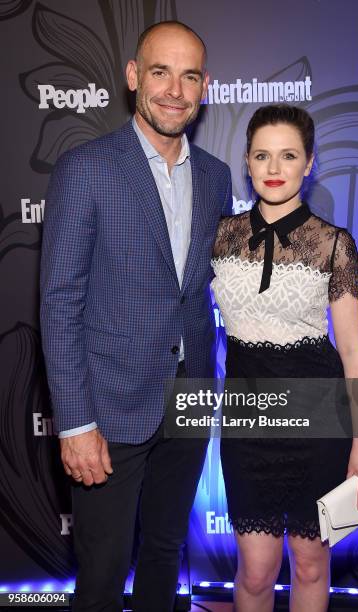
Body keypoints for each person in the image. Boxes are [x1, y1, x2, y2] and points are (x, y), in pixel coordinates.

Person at [40, 21, 232, 612]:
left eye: (190, 75)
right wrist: (74, 423)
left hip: (189, 396)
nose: (175, 89)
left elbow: (215, 280)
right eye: (160, 72)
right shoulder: (87, 168)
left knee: (166, 555)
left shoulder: (216, 176)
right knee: (101, 573)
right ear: (132, 78)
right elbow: (59, 299)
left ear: (204, 87)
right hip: (109, 407)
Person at [211, 104, 358, 612]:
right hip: (248, 423)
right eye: (262, 155)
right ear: (247, 161)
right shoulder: (219, 237)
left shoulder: (335, 246)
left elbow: (354, 352)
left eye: (288, 155)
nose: (274, 167)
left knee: (310, 565)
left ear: (309, 164)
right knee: (256, 572)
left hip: (318, 425)